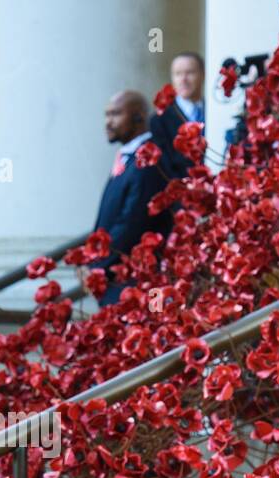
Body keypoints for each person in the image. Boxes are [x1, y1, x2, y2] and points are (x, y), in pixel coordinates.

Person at [83, 90, 173, 307]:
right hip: (116, 279)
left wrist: (97, 265)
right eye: (107, 115)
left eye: (115, 114)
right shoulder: (128, 157)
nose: (108, 122)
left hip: (135, 281)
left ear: (139, 116)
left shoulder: (148, 159)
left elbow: (132, 221)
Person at [150, 51, 208, 180]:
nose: (183, 79)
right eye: (178, 74)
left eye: (190, 73)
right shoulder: (159, 120)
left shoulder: (214, 112)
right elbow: (163, 167)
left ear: (203, 75)